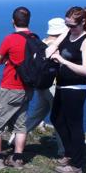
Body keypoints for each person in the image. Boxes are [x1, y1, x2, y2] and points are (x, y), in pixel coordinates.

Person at [0, 7, 34, 171]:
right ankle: (17, 158)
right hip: (27, 88)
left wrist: (8, 58)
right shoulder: (34, 38)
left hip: (11, 86)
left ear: (13, 21)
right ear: (28, 21)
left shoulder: (11, 39)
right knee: (20, 122)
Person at [48, 7, 86, 173]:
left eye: (73, 25)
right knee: (56, 118)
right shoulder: (68, 33)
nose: (69, 28)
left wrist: (62, 60)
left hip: (77, 88)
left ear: (83, 22)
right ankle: (70, 153)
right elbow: (52, 47)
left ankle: (77, 165)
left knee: (74, 125)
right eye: (67, 24)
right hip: (62, 85)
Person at [24, 18, 65, 155]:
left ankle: (16, 138)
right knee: (59, 116)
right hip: (53, 85)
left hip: (41, 85)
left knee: (37, 114)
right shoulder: (56, 46)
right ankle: (63, 150)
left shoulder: (41, 43)